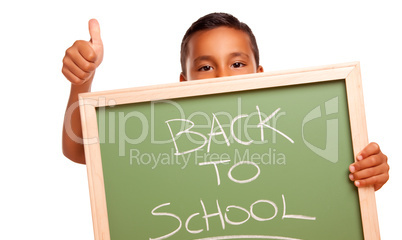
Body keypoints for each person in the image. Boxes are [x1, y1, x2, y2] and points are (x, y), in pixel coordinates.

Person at [62, 12, 389, 191]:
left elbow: (335, 180)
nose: (221, 77)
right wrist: (82, 80)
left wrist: (369, 173)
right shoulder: (164, 135)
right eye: (205, 67)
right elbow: (78, 148)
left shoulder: (297, 134)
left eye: (236, 63)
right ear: (183, 81)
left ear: (259, 73)